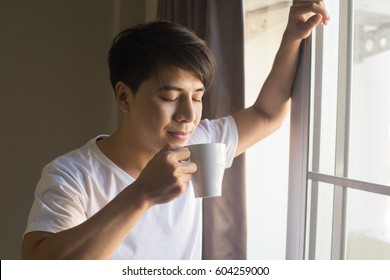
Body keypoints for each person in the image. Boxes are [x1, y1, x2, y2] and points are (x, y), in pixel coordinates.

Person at [22, 0, 329, 259]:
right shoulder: (71, 175)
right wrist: (141, 195)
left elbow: (266, 114)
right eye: (169, 97)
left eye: (197, 97)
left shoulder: (198, 144)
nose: (188, 114)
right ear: (124, 97)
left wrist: (292, 37)